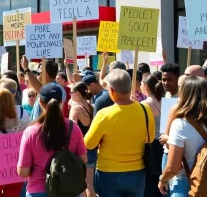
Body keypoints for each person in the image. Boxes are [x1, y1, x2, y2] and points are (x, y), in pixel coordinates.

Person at [85, 69, 155, 197]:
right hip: (137, 171)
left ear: (111, 90)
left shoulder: (104, 114)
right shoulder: (145, 110)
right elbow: (149, 139)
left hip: (108, 173)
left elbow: (89, 144)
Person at [17, 83, 87, 197]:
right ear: (62, 102)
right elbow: (83, 159)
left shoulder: (30, 132)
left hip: (38, 191)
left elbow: (23, 172)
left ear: (40, 102)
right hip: (68, 188)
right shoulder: (73, 126)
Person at [158, 76, 207, 196]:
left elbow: (173, 167)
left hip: (187, 182)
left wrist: (162, 180)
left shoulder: (180, 124)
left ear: (184, 94)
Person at [69, 82, 95, 197]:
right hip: (92, 149)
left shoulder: (76, 109)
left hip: (79, 151)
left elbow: (70, 130)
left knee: (80, 185)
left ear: (77, 93)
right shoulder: (91, 107)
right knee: (89, 183)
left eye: (71, 93)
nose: (70, 95)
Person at [140, 75, 165, 197]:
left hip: (151, 145)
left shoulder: (144, 104)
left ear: (145, 87)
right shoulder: (166, 100)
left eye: (141, 84)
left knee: (150, 182)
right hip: (164, 145)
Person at [21, 56, 66, 121]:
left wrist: (26, 69)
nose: (38, 75)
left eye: (40, 72)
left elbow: (41, 89)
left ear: (45, 74)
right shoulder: (50, 87)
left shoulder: (57, 88)